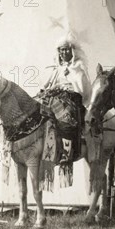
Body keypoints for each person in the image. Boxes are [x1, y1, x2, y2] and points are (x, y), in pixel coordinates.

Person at [40, 33, 91, 163]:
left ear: (72, 51)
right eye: (61, 49)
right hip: (56, 98)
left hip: (72, 100)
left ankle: (67, 152)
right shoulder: (58, 69)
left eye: (66, 49)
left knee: (65, 118)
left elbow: (83, 89)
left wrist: (67, 90)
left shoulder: (78, 68)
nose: (63, 52)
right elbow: (49, 84)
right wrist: (47, 90)